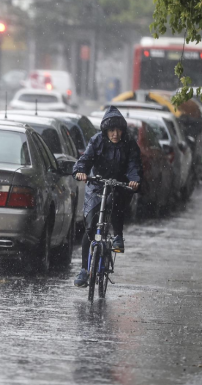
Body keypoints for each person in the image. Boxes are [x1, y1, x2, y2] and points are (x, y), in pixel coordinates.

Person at [72, 106, 142, 287]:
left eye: (118, 130)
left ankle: (118, 236)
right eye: (112, 130)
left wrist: (133, 180)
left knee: (118, 207)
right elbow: (85, 159)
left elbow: (134, 165)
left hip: (119, 185)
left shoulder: (129, 144)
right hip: (96, 185)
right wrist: (81, 171)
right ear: (106, 130)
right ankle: (84, 270)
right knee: (90, 227)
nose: (115, 134)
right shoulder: (97, 141)